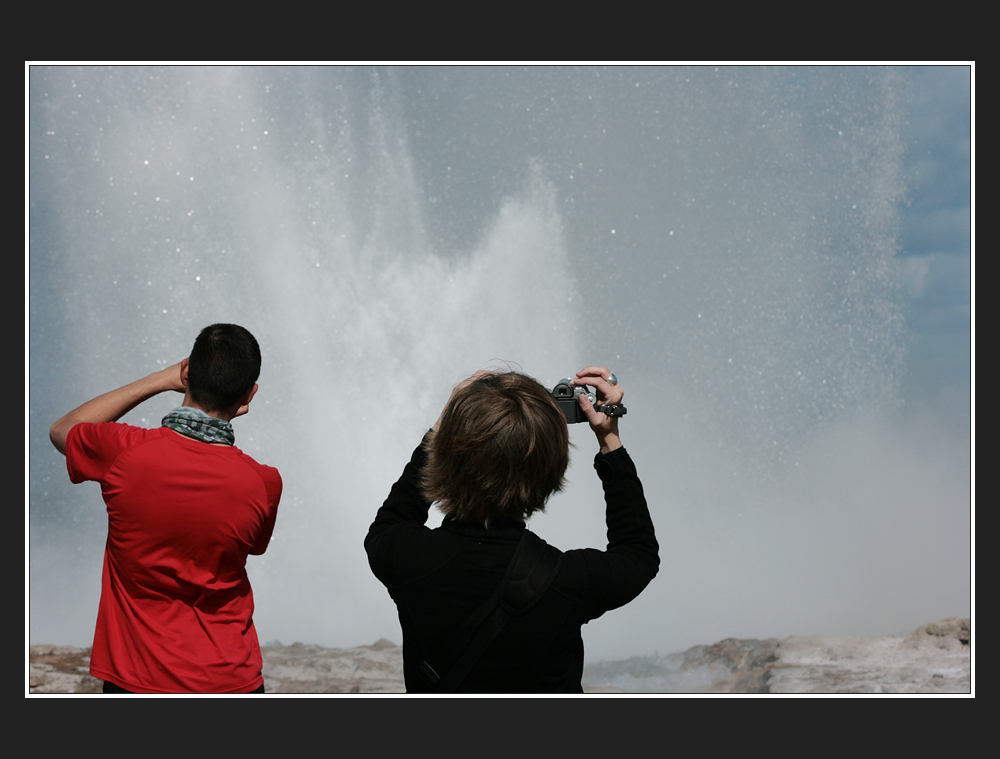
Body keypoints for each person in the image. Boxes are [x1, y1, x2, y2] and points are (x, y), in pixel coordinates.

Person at [365, 366, 658, 692]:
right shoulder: (567, 582)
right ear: (552, 471)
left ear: (443, 458)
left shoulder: (405, 559)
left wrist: (443, 424)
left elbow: (394, 517)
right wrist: (609, 440)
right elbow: (638, 552)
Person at [49, 323, 282, 694]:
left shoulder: (124, 452)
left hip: (138, 680)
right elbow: (252, 546)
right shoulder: (264, 482)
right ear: (249, 394)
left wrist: (158, 380)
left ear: (186, 373)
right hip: (231, 680)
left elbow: (63, 429)